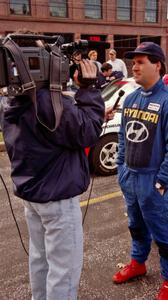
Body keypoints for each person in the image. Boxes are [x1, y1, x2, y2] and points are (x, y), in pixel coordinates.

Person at [0, 35, 105, 300]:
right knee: (63, 272)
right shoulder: (49, 102)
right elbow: (89, 132)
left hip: (33, 197)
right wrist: (90, 90)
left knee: (40, 261)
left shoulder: (14, 99)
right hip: (57, 200)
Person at [112, 42, 168, 300]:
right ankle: (138, 263)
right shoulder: (132, 98)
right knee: (135, 225)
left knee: (164, 234)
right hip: (131, 177)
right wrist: (121, 169)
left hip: (153, 181)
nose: (134, 66)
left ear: (157, 65)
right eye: (133, 62)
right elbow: (124, 138)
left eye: (140, 62)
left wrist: (161, 182)